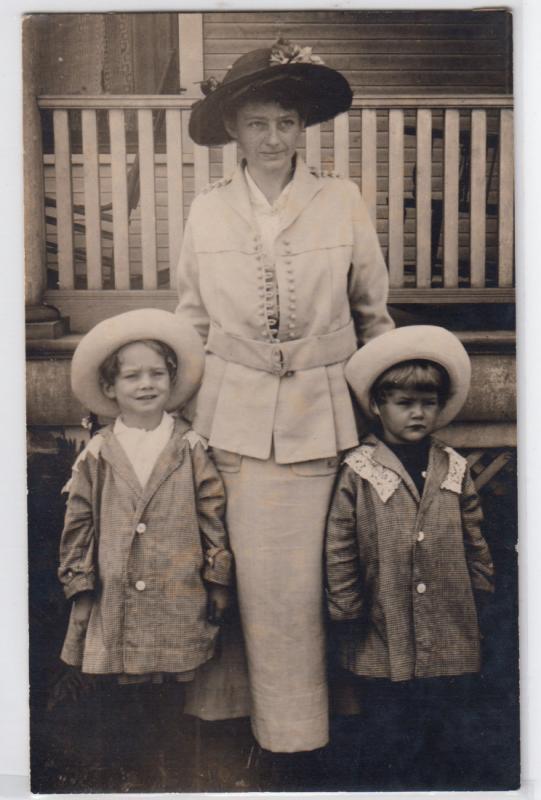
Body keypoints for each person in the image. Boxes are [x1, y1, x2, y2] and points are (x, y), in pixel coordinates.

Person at [176, 36, 394, 760]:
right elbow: (192, 320)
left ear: (303, 130)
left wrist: (378, 407)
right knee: (241, 571)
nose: (274, 138)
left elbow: (372, 314)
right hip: (232, 415)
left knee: (311, 577)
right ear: (233, 131)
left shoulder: (341, 201)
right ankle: (239, 719)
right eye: (259, 123)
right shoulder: (207, 211)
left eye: (287, 123)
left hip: (322, 413)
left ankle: (307, 732)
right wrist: (179, 408)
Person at [57, 309, 233, 786]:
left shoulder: (190, 446)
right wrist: (81, 586)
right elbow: (80, 522)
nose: (146, 384)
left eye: (157, 373)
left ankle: (175, 775)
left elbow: (211, 512)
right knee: (124, 689)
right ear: (111, 388)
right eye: (132, 376)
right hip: (117, 592)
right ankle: (130, 775)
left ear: (172, 381)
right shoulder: (98, 451)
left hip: (177, 589)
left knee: (173, 690)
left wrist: (217, 578)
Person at [325, 325, 495, 787]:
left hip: (448, 615)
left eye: (428, 402)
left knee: (443, 717)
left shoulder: (452, 466)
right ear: (378, 407)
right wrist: (346, 607)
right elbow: (340, 544)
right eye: (404, 403)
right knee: (388, 720)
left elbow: (473, 534)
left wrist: (481, 591)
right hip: (384, 617)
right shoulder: (360, 469)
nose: (418, 413)